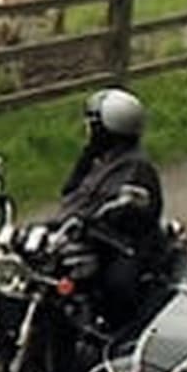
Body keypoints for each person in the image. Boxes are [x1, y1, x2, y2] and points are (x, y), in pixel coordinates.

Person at [56, 87, 165, 327]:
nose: (87, 129)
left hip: (123, 246)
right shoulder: (100, 159)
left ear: (106, 129)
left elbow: (136, 213)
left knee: (116, 286)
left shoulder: (137, 167)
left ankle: (113, 337)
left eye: (92, 124)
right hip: (90, 237)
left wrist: (104, 216)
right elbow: (71, 194)